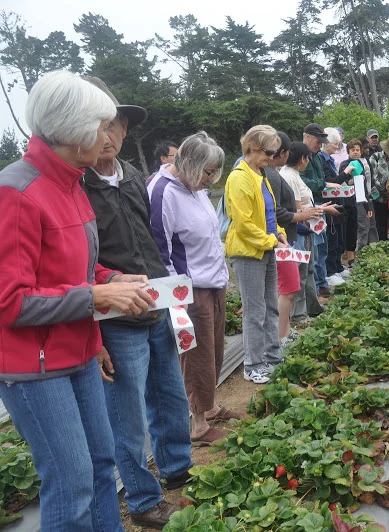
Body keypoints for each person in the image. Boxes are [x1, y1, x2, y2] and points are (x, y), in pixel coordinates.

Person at [0, 71, 154, 532]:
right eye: (104, 125)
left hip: (81, 350)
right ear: (76, 129)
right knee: (70, 481)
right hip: (35, 366)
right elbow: (10, 301)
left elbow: (80, 270)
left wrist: (113, 278)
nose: (110, 136)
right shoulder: (17, 192)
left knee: (100, 463)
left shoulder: (72, 183)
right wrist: (96, 294)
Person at [82, 76, 191, 528]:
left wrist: (170, 288)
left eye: (118, 124)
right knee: (126, 418)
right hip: (115, 314)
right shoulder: (77, 185)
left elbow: (150, 238)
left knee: (169, 393)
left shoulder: (131, 178)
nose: (110, 135)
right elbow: (77, 263)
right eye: (100, 124)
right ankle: (144, 501)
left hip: (157, 301)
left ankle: (178, 471)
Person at [148, 131, 244, 447]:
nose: (211, 179)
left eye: (215, 172)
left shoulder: (196, 189)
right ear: (188, 163)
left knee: (214, 349)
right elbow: (160, 251)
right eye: (208, 172)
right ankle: (198, 423)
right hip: (188, 291)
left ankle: (210, 406)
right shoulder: (162, 192)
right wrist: (177, 300)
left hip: (212, 282)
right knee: (195, 355)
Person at [225, 125, 290, 384]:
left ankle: (273, 355)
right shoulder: (238, 178)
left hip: (266, 247)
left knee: (271, 305)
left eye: (274, 151)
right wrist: (271, 241)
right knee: (254, 311)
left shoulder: (260, 173)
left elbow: (269, 213)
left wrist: (280, 233)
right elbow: (243, 223)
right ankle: (253, 364)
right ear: (251, 147)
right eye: (268, 151)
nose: (272, 156)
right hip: (248, 253)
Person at [266, 132, 327, 346]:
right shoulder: (279, 176)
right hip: (283, 238)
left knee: (292, 285)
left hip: (285, 235)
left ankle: (286, 330)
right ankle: (281, 333)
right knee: (288, 286)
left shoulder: (276, 174)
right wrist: (302, 215)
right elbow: (279, 211)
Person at [281, 142, 327, 325]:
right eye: (307, 158)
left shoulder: (294, 175)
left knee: (308, 270)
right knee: (299, 272)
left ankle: (311, 307)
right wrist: (316, 212)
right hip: (298, 231)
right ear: (303, 158)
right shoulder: (289, 177)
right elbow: (298, 209)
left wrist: (318, 209)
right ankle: (298, 314)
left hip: (306, 229)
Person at [301, 123, 337, 296]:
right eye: (317, 141)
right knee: (314, 249)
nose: (319, 145)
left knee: (322, 245)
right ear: (307, 137)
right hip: (307, 207)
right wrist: (322, 184)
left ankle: (322, 283)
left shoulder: (316, 156)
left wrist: (323, 184)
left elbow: (320, 177)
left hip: (319, 204)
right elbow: (303, 181)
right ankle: (314, 288)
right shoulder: (300, 156)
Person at [321, 128, 348, 287]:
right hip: (328, 203)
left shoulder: (329, 160)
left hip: (336, 201)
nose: (337, 148)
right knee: (331, 238)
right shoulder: (321, 160)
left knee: (338, 237)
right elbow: (332, 181)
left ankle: (337, 266)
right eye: (335, 145)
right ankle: (330, 271)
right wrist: (346, 173)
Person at [371, 136, 389, 241]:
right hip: (379, 196)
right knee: (381, 223)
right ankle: (382, 243)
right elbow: (373, 177)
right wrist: (385, 189)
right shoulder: (376, 157)